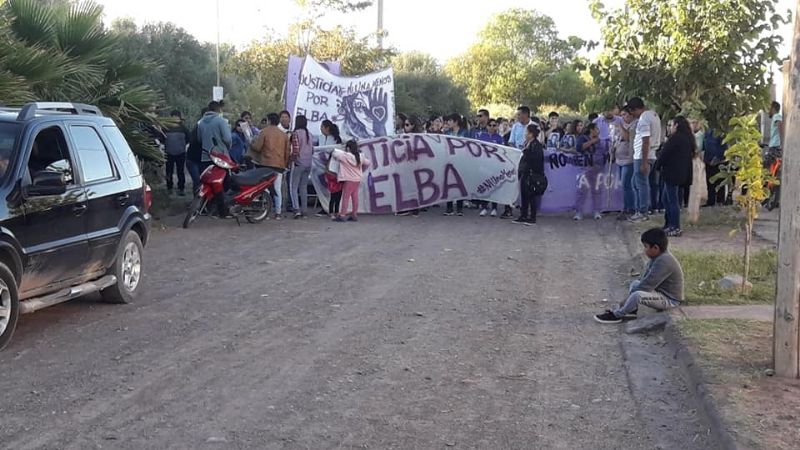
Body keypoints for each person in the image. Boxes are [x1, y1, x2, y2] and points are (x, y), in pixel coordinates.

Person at [594, 228, 683, 324]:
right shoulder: (657, 257)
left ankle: (617, 315)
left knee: (637, 295)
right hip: (659, 293)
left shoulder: (664, 261)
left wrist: (625, 301)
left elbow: (647, 286)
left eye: (646, 247)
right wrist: (628, 300)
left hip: (669, 300)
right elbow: (644, 279)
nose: (644, 250)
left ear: (655, 248)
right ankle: (631, 309)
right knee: (635, 283)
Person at [656, 116, 695, 237]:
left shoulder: (675, 138)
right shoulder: (688, 138)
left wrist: (658, 165)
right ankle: (668, 224)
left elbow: (664, 154)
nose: (670, 128)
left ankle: (675, 226)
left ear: (676, 125)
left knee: (672, 200)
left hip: (672, 173)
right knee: (667, 199)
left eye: (671, 125)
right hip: (681, 173)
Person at [625, 97, 661, 223]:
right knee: (636, 183)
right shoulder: (654, 115)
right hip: (650, 154)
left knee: (641, 184)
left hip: (643, 156)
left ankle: (642, 211)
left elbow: (646, 141)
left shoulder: (644, 119)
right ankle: (641, 209)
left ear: (633, 110)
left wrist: (644, 162)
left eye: (631, 112)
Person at [248, 113, 290, 218]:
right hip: (279, 165)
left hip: (266, 164)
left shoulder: (264, 132)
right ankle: (278, 213)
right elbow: (287, 152)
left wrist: (251, 142)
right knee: (277, 189)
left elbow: (258, 147)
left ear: (269, 121)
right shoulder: (284, 135)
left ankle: (265, 212)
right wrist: (285, 164)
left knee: (265, 189)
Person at [198, 101, 232, 217]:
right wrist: (227, 147)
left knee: (208, 182)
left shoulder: (201, 122)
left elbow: (199, 139)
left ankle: (208, 206)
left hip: (205, 157)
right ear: (219, 110)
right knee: (224, 182)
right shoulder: (221, 121)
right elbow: (227, 138)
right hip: (220, 158)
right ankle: (222, 210)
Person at [512, 124, 546, 225]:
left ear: (531, 134)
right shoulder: (528, 143)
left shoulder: (536, 145)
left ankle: (532, 217)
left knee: (532, 196)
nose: (525, 134)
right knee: (524, 195)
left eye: (527, 132)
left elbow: (535, 159)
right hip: (526, 173)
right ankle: (523, 215)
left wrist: (526, 152)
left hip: (533, 174)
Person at [332, 140, 370, 222]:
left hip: (349, 179)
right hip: (357, 179)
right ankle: (354, 214)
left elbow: (334, 154)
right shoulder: (360, 156)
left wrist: (340, 148)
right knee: (355, 196)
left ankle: (342, 215)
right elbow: (368, 163)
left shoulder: (345, 156)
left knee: (345, 197)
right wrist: (361, 170)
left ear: (348, 148)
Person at [475, 118, 505, 217]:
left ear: (496, 127)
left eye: (494, 125)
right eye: (490, 125)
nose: (492, 127)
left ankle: (494, 208)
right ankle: (484, 207)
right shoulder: (482, 136)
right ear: (487, 126)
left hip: (495, 165)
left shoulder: (500, 138)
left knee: (494, 186)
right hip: (484, 165)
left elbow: (503, 151)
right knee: (484, 186)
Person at [573, 123, 603, 221]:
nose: (598, 131)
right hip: (584, 169)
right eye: (596, 129)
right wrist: (593, 141)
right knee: (581, 191)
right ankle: (579, 212)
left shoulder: (601, 141)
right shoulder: (582, 138)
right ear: (591, 130)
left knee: (596, 191)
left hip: (597, 169)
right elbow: (579, 148)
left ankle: (596, 211)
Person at [289, 115, 315, 219]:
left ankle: (296, 209)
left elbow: (295, 150)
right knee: (303, 187)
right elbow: (312, 150)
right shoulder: (310, 134)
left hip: (299, 163)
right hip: (308, 163)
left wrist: (291, 159)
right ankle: (304, 210)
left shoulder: (296, 133)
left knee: (294, 187)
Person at [443, 113, 468, 216]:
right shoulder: (446, 133)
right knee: (448, 184)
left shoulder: (465, 132)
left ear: (456, 121)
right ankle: (449, 208)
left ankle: (459, 208)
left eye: (450, 120)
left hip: (461, 161)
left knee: (460, 184)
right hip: (449, 161)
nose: (448, 122)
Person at [614, 108, 637, 220]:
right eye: (621, 115)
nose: (623, 117)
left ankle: (630, 207)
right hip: (619, 159)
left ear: (631, 115)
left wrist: (620, 127)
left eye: (625, 115)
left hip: (629, 160)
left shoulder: (635, 125)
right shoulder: (621, 126)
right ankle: (626, 206)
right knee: (623, 185)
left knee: (626, 184)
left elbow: (628, 137)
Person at [163, 110, 190, 196]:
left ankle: (181, 188)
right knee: (169, 171)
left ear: (179, 118)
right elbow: (161, 138)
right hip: (169, 153)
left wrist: (183, 146)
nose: (175, 119)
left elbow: (188, 139)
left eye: (176, 117)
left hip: (180, 153)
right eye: (173, 117)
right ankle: (169, 187)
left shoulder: (184, 128)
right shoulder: (165, 128)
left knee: (180, 171)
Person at [702, 129, 727, 207]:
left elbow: (724, 147)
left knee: (719, 181)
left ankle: (720, 200)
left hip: (718, 161)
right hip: (708, 160)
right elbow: (705, 145)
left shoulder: (720, 132)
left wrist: (717, 158)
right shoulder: (707, 132)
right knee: (710, 181)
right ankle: (711, 200)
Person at [186, 108, 206, 194]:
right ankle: (197, 199)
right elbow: (193, 140)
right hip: (193, 159)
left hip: (203, 159)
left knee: (203, 180)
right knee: (197, 180)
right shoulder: (198, 126)